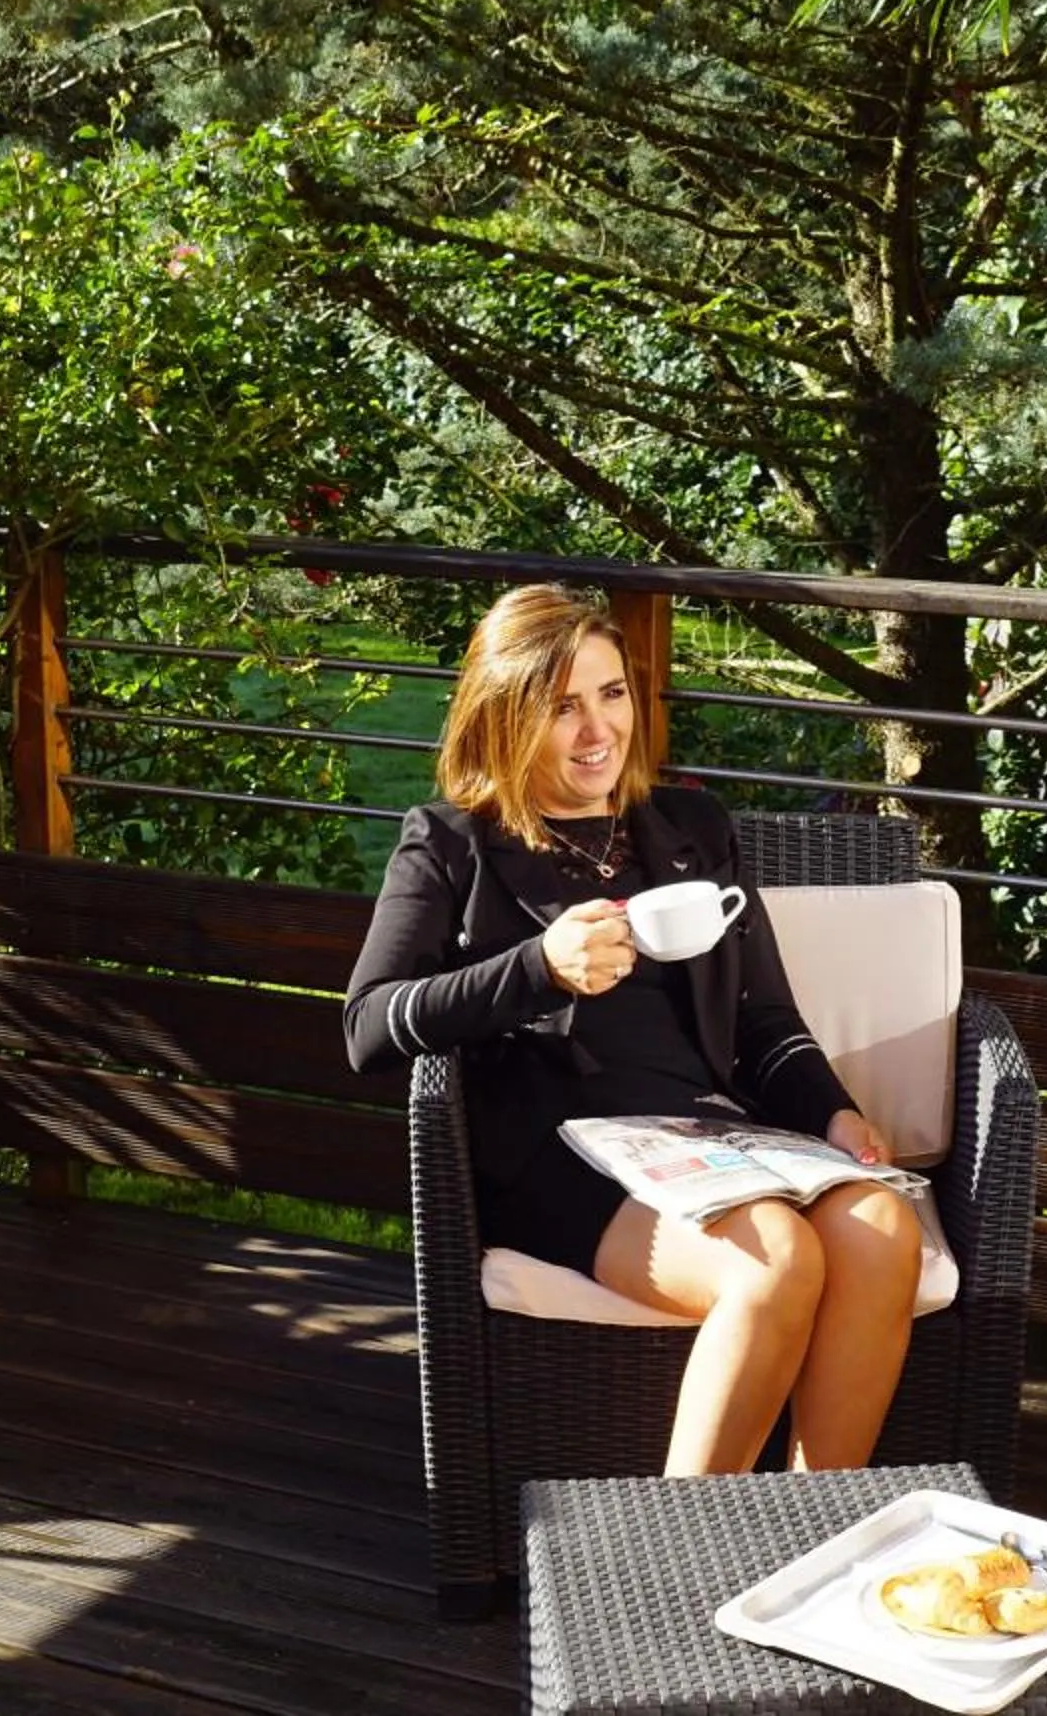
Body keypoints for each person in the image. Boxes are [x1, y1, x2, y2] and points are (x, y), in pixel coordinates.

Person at [344, 583, 921, 1477]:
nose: (596, 730)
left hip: (706, 1134)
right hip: (558, 1153)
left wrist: (837, 1114)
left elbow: (763, 1017)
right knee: (774, 1261)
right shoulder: (451, 843)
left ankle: (813, 1530)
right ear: (504, 714)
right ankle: (675, 1566)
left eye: (611, 695)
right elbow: (368, 1025)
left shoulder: (689, 829)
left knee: (882, 1227)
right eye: (561, 706)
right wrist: (538, 965)